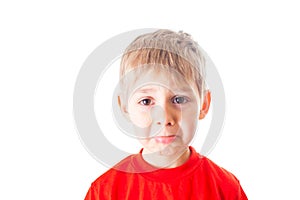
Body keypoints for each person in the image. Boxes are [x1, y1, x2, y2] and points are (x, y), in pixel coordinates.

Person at [84, 29, 247, 199]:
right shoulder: (105, 191)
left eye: (179, 100)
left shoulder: (226, 189)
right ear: (125, 107)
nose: (164, 118)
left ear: (204, 104)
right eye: (146, 101)